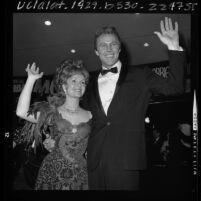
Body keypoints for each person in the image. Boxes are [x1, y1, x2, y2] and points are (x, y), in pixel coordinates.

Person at [81, 17, 186, 190]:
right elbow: (83, 119)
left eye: (113, 44)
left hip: (126, 160)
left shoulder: (141, 75)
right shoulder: (88, 84)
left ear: (120, 48)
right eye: (102, 45)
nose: (108, 49)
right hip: (94, 161)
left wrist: (174, 47)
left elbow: (175, 87)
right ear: (96, 52)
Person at [16, 59, 92, 190]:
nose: (79, 85)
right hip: (52, 171)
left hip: (81, 173)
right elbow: (21, 112)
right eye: (73, 81)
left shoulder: (91, 115)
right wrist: (31, 79)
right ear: (64, 86)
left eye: (82, 82)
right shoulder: (52, 113)